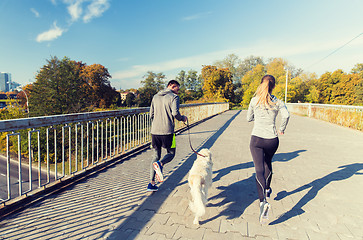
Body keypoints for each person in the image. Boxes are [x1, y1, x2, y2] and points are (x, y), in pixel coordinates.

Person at [247, 74, 290, 223]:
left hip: (257, 139)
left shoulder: (254, 100)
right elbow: (286, 115)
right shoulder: (277, 101)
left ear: (261, 84)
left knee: (259, 170)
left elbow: (248, 118)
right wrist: (282, 129)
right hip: (272, 139)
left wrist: (257, 115)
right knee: (268, 164)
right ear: (274, 86)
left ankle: (262, 202)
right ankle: (267, 189)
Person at [147, 80, 188, 192]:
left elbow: (151, 114)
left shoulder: (155, 97)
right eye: (177, 89)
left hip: (154, 132)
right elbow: (175, 113)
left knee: (155, 156)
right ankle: (161, 164)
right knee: (171, 153)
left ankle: (151, 184)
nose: (178, 92)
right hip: (168, 132)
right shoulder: (174, 97)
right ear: (172, 86)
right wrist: (183, 118)